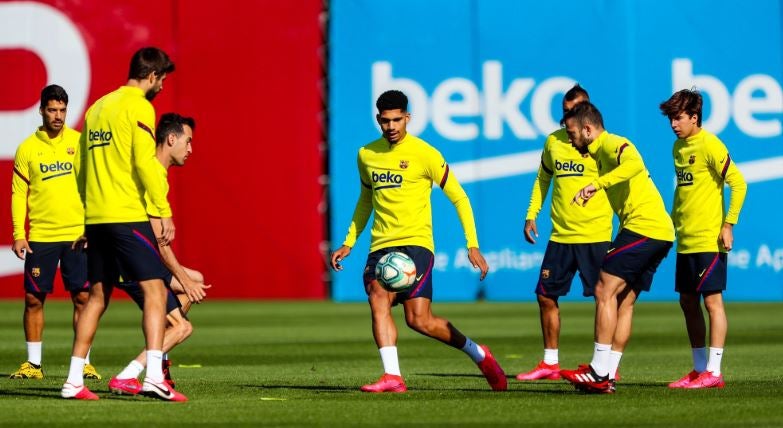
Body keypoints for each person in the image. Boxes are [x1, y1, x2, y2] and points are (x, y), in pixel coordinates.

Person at [330, 90, 506, 393]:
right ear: (378, 120)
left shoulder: (426, 153)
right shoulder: (366, 155)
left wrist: (472, 244)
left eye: (397, 119)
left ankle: (479, 353)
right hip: (380, 246)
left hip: (416, 245)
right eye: (385, 121)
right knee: (377, 295)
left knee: (419, 320)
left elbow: (460, 198)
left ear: (407, 117)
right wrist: (349, 242)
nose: (391, 126)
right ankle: (393, 377)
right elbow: (365, 201)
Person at [61, 47, 207, 401]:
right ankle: (153, 376)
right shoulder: (139, 106)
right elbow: (145, 163)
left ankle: (73, 381)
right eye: (163, 80)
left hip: (96, 217)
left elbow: (80, 167)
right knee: (157, 291)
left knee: (97, 297)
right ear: (153, 76)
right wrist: (162, 208)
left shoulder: (97, 108)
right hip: (126, 213)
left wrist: (86, 213)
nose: (162, 87)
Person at [558, 102, 674, 394]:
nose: (570, 141)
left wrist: (596, 185)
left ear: (587, 129)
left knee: (603, 290)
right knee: (623, 302)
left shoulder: (612, 143)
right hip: (659, 231)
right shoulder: (599, 153)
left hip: (644, 227)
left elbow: (635, 164)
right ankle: (607, 374)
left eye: (572, 134)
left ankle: (598, 371)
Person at [109, 113, 211, 395]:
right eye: (188, 142)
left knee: (195, 280)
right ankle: (132, 373)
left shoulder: (156, 172)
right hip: (133, 262)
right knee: (182, 327)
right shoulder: (152, 173)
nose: (191, 150)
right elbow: (160, 243)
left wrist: (187, 281)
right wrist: (184, 281)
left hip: (135, 257)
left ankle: (160, 360)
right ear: (171, 139)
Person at [516, 85, 614, 381]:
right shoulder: (555, 142)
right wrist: (532, 213)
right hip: (561, 236)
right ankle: (550, 363)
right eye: (566, 110)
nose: (569, 115)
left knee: (607, 299)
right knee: (545, 296)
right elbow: (543, 178)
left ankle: (606, 365)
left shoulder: (604, 145)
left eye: (575, 109)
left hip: (595, 234)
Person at [9, 85, 101, 380]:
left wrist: (92, 226)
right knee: (34, 300)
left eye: (62, 110)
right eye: (52, 110)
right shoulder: (27, 148)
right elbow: (17, 192)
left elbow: (92, 186)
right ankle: (33, 365)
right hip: (42, 236)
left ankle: (83, 362)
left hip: (77, 235)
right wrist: (17, 233)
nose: (58, 115)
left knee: (83, 299)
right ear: (41, 110)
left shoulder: (78, 142)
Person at [659, 89, 747, 389]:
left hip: (709, 240)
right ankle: (699, 370)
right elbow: (684, 192)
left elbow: (739, 183)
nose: (673, 124)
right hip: (685, 239)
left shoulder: (710, 144)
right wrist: (671, 222)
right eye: (671, 118)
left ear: (694, 117)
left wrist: (728, 224)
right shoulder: (677, 148)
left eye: (678, 117)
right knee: (687, 301)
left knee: (713, 302)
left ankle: (714, 371)